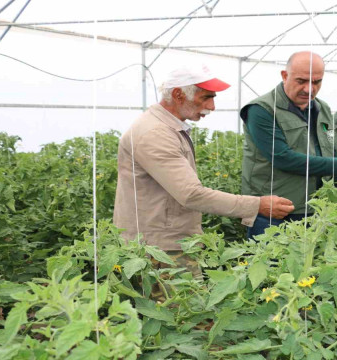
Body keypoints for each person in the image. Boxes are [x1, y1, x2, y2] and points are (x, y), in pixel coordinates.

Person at [113, 63, 295, 279]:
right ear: (179, 94)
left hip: (165, 241)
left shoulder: (167, 127)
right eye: (206, 97)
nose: (212, 106)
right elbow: (191, 194)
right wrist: (257, 205)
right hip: (158, 249)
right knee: (180, 309)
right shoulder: (155, 134)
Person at [240, 51, 337, 238]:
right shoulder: (262, 110)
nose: (309, 89)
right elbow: (282, 157)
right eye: (301, 81)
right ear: (285, 76)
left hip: (316, 209)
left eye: (316, 82)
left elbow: (328, 151)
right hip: (275, 211)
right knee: (271, 265)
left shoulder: (322, 108)